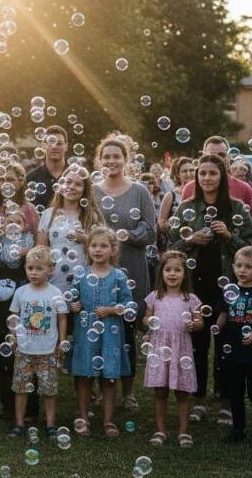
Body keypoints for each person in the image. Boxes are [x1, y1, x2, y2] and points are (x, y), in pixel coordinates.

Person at [168, 153, 252, 425]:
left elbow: (250, 249)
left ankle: (226, 401)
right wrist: (191, 239)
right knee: (196, 345)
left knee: (226, 345)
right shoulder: (185, 208)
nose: (206, 178)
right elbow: (170, 248)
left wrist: (229, 236)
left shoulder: (237, 208)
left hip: (228, 285)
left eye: (212, 173)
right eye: (202, 173)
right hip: (195, 286)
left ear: (223, 176)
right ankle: (197, 400)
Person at [93, 135, 157, 411]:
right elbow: (90, 229)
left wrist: (126, 235)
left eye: (116, 156)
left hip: (132, 267)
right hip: (101, 271)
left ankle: (128, 392)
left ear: (126, 160)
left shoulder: (140, 191)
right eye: (106, 156)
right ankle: (100, 389)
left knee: (128, 330)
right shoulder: (93, 191)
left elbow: (151, 231)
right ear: (99, 160)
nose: (111, 161)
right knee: (100, 329)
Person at [69, 227, 132, 437]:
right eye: (94, 245)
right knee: (85, 376)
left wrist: (112, 310)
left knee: (109, 379)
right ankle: (83, 417)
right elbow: (72, 297)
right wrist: (74, 305)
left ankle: (108, 421)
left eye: (103, 246)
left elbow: (130, 305)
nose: (98, 250)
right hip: (84, 331)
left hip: (110, 335)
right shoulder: (81, 274)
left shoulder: (119, 276)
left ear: (113, 250)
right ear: (87, 249)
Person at [143, 250, 204, 448]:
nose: (172, 274)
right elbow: (145, 318)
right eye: (168, 269)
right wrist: (148, 321)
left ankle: (183, 432)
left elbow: (200, 322)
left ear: (185, 274)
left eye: (177, 270)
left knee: (182, 391)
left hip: (181, 348)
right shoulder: (154, 296)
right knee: (160, 391)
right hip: (160, 345)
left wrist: (194, 325)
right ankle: (160, 430)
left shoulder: (190, 298)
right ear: (161, 273)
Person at [6, 245, 68, 439]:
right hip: (24, 349)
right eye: (30, 268)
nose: (33, 272)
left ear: (50, 270)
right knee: (21, 388)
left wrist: (62, 342)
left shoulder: (55, 292)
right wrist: (14, 338)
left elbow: (62, 318)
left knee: (49, 390)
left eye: (39, 268)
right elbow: (14, 317)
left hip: (48, 350)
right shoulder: (21, 292)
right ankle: (19, 423)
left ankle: (50, 424)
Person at [216, 246, 252, 445]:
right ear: (233, 267)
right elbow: (223, 314)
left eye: (248, 266)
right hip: (232, 349)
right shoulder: (229, 289)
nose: (242, 270)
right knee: (235, 392)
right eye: (239, 265)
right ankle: (238, 430)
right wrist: (216, 328)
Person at [36, 163, 105, 292]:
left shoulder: (92, 215)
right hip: (54, 281)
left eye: (78, 184)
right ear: (61, 184)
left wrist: (84, 239)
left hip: (86, 281)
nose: (72, 187)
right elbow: (41, 251)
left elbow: (103, 249)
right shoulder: (48, 215)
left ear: (85, 189)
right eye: (68, 182)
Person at [180, 136, 252, 228]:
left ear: (228, 157)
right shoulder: (189, 188)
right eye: (212, 155)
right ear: (203, 157)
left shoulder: (244, 188)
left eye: (221, 154)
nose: (217, 158)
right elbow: (184, 223)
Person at [26, 125, 68, 211]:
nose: (54, 146)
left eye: (59, 143)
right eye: (50, 143)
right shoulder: (31, 178)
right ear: (43, 146)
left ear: (66, 146)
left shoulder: (76, 176)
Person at [157, 156, 194, 239]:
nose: (188, 174)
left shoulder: (202, 193)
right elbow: (161, 223)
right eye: (184, 171)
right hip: (175, 243)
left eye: (191, 170)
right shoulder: (171, 195)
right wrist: (183, 230)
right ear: (178, 175)